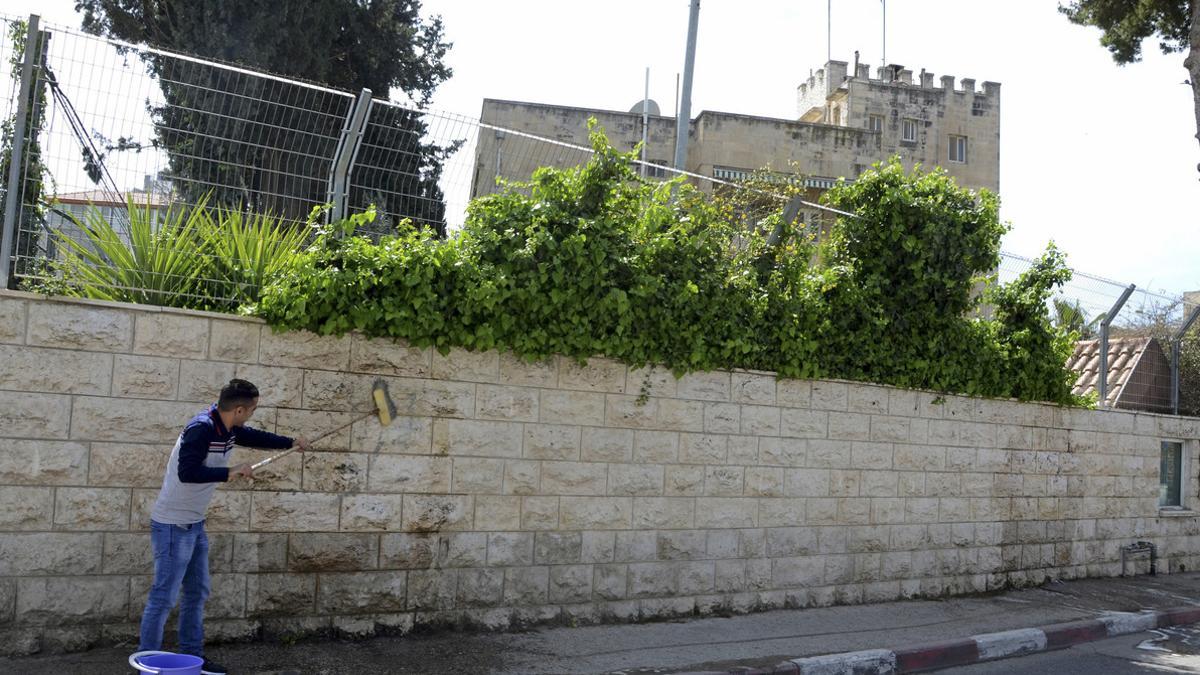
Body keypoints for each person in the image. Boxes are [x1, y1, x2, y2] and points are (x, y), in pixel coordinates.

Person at [137, 379, 308, 674]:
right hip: (172, 526)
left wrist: (292, 442)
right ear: (239, 409)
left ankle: (194, 660)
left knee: (197, 592)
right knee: (163, 598)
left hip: (194, 524)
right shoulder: (201, 428)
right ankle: (147, 665)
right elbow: (188, 472)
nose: (252, 414)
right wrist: (230, 472)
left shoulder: (226, 427)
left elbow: (254, 436)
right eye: (252, 409)